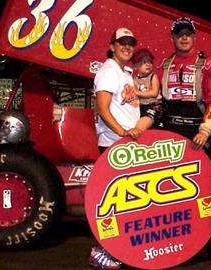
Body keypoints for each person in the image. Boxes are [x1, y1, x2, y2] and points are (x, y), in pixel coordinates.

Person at [158, 17, 211, 263]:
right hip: (170, 135)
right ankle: (177, 247)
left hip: (198, 137)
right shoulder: (164, 65)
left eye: (188, 34)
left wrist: (205, 131)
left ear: (194, 37)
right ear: (173, 38)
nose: (184, 37)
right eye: (179, 34)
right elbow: (155, 100)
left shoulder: (208, 65)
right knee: (170, 193)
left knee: (205, 193)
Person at [89, 27, 141, 270]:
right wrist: (121, 132)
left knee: (125, 201)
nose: (127, 47)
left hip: (125, 143)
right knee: (114, 201)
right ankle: (101, 252)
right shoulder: (108, 71)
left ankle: (117, 250)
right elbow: (102, 108)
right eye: (122, 42)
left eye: (130, 43)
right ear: (112, 46)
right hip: (113, 143)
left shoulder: (124, 72)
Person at [131, 48, 160, 131]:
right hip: (140, 107)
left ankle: (137, 130)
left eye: (150, 62)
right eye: (144, 62)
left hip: (152, 105)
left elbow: (154, 93)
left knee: (142, 125)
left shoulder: (153, 76)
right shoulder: (134, 79)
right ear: (135, 66)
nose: (148, 64)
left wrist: (137, 92)